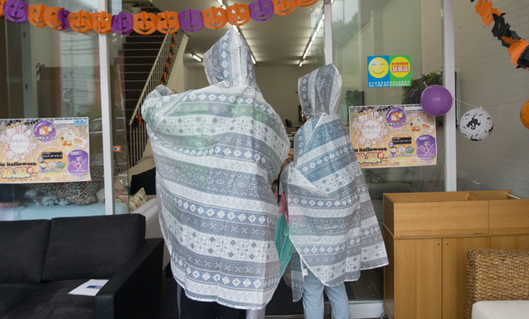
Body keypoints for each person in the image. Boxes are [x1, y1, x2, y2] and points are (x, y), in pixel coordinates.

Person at [142, 28, 290, 319]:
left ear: (214, 67)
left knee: (196, 300)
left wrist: (165, 93)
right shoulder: (266, 113)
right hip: (248, 233)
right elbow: (274, 164)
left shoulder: (198, 105)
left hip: (201, 229)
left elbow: (152, 110)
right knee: (237, 307)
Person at [280, 64, 389, 319]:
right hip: (342, 224)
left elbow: (299, 178)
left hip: (315, 225)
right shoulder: (339, 127)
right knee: (337, 285)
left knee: (313, 288)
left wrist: (285, 173)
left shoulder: (308, 131)